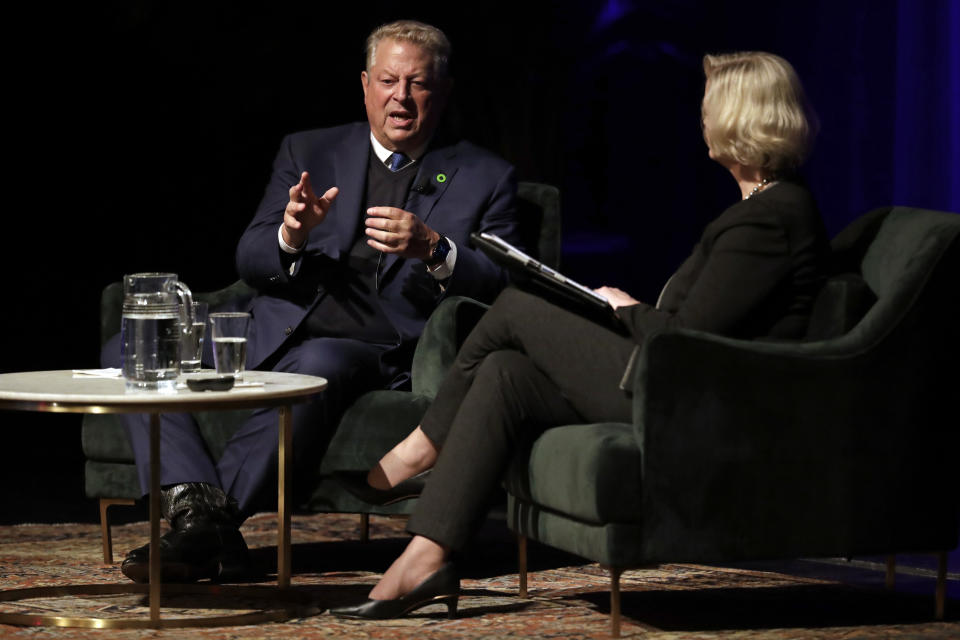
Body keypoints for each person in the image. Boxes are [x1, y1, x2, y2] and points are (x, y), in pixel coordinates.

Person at [331, 51, 829, 619]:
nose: (703, 119)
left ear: (740, 116)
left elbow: (687, 338)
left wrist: (625, 310)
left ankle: (418, 450)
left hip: (692, 399)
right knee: (505, 375)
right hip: (672, 378)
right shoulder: (762, 209)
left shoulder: (770, 218)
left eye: (710, 107)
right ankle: (426, 557)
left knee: (515, 309)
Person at [104, 19, 521, 583]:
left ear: (442, 91)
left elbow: (503, 282)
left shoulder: (486, 175)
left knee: (318, 364)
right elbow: (249, 258)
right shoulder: (311, 149)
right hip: (271, 324)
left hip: (371, 347)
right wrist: (291, 236)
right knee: (132, 340)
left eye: (418, 84)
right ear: (366, 84)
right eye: (388, 80)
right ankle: (202, 519)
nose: (401, 97)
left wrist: (434, 248)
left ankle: (197, 531)